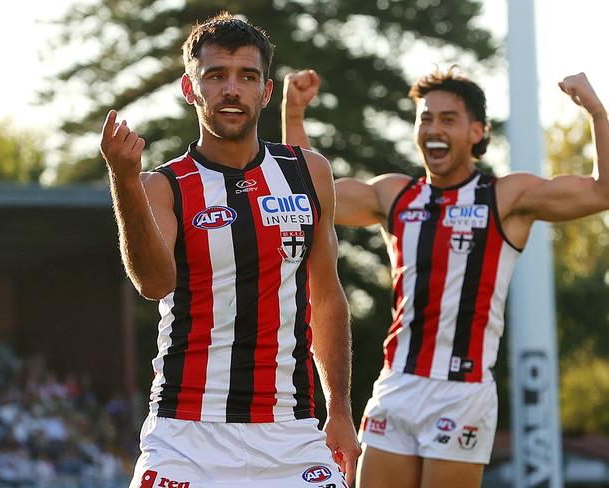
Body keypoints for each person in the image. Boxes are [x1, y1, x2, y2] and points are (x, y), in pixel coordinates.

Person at [282, 67, 609, 488]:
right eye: (425, 118)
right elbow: (307, 197)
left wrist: (596, 112)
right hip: (397, 383)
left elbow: (602, 191)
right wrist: (293, 114)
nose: (433, 128)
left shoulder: (506, 197)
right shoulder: (396, 195)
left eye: (448, 119)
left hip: (463, 391)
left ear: (477, 131)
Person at [99, 12, 361, 488]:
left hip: (291, 431)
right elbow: (153, 283)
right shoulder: (164, 185)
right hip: (186, 433)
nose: (231, 89)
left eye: (247, 77)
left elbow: (326, 296)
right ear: (189, 88)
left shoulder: (310, 173)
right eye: (216, 76)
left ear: (266, 91)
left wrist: (339, 409)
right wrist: (124, 180)